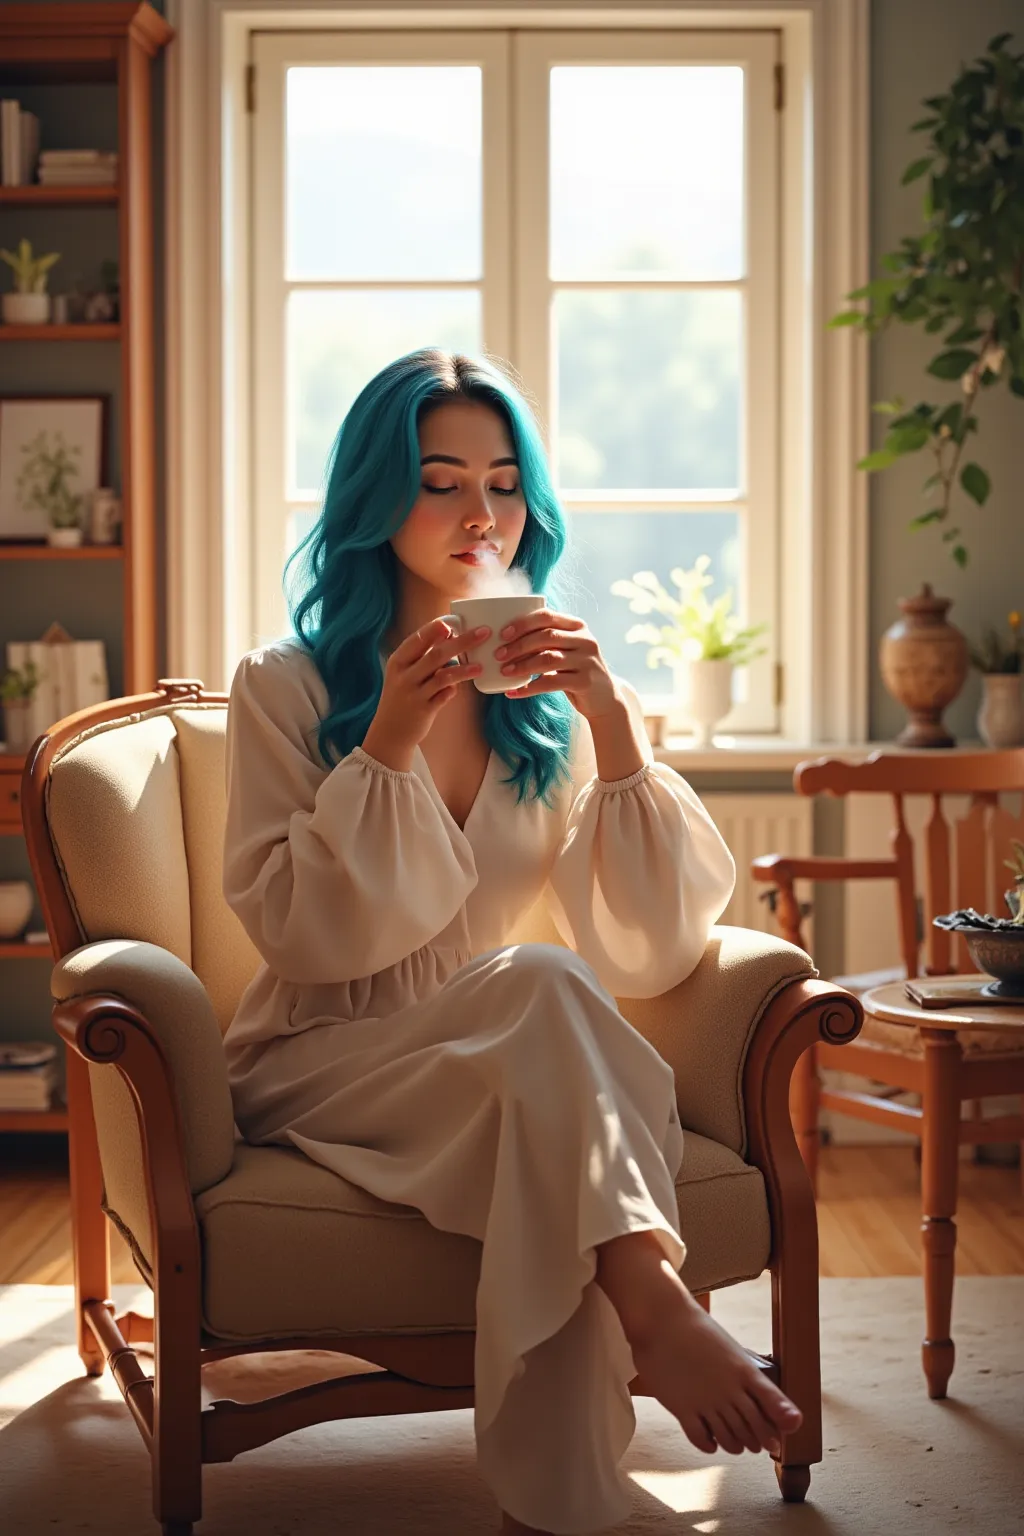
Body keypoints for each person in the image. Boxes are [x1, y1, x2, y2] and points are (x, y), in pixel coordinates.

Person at [221, 348, 803, 1535]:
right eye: (440, 482)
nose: (479, 514)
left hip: (500, 1057)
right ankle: (658, 1308)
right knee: (539, 985)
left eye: (502, 481)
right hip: (325, 1058)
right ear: (375, 500)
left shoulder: (544, 703)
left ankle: (558, 1501)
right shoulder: (282, 687)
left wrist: (614, 727)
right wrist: (385, 735)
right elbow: (300, 932)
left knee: (545, 1007)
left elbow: (644, 949)